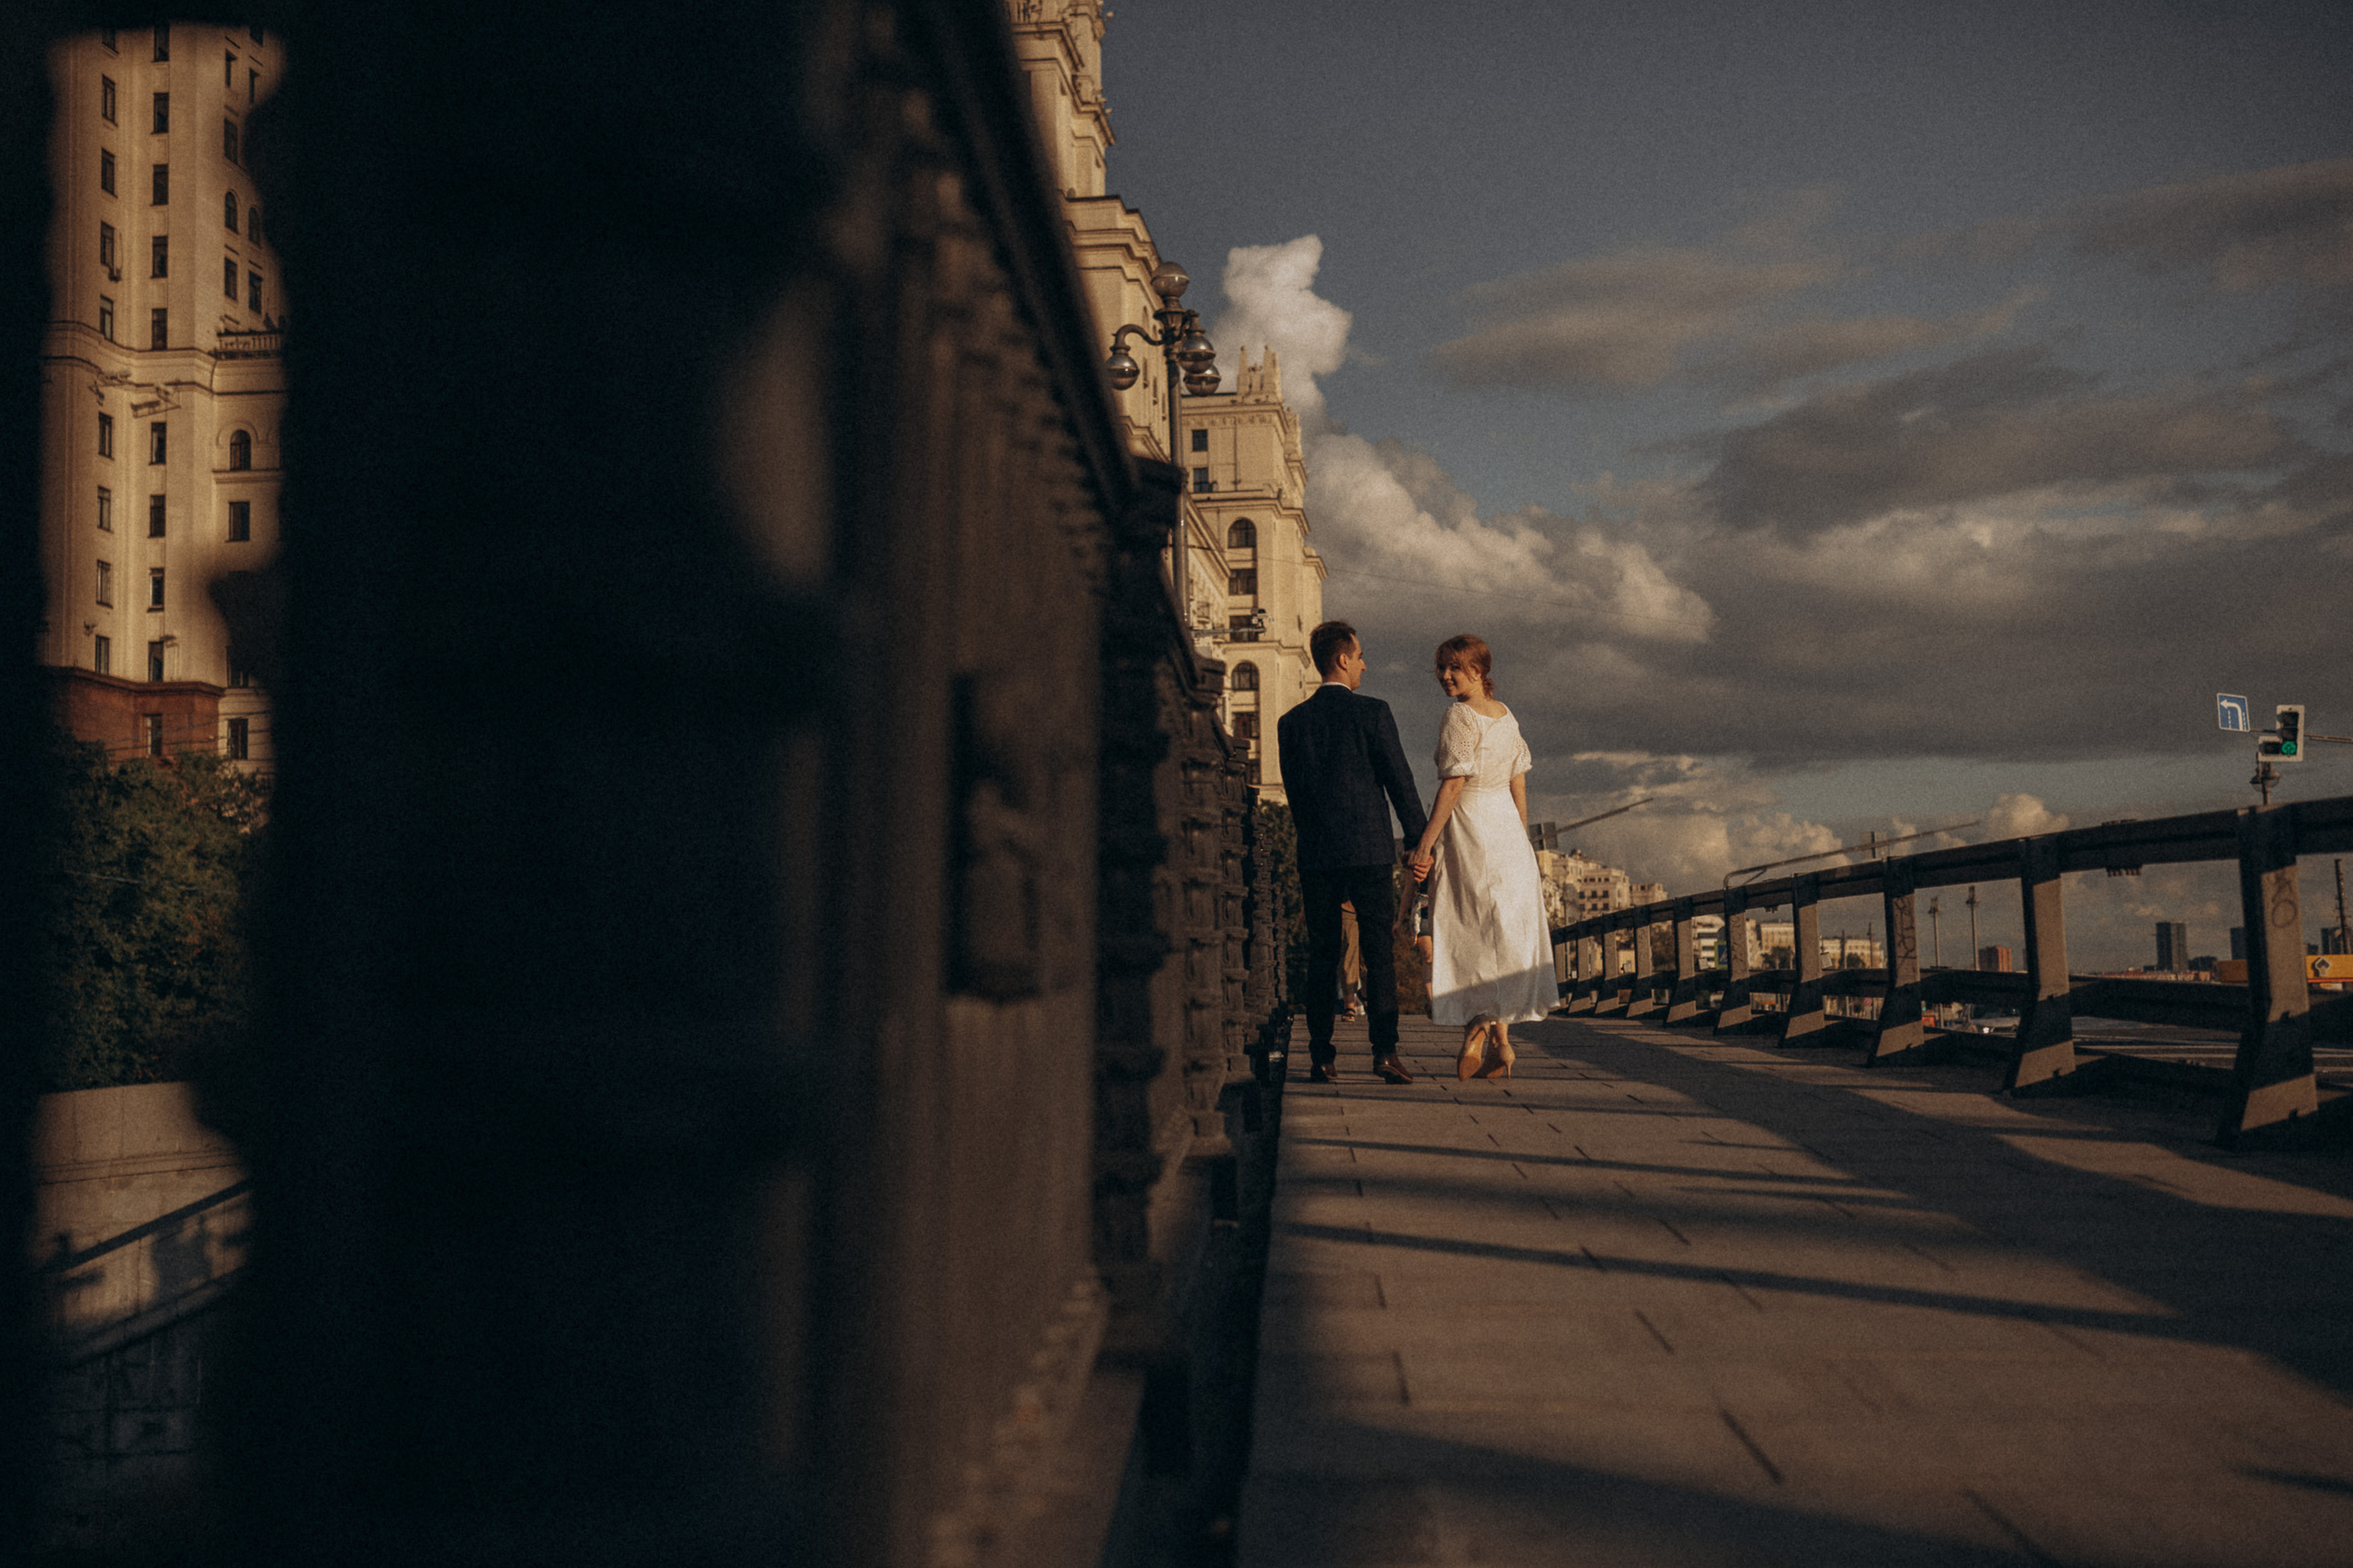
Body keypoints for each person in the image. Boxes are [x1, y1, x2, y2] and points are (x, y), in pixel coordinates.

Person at [1277, 620, 1430, 1085]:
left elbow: (1296, 795)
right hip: (1369, 850)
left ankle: (1321, 1056)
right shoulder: (1373, 713)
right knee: (1378, 952)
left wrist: (1313, 840)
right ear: (1342, 659)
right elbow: (1400, 783)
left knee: (1323, 954)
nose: (1364, 663)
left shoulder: (1290, 723)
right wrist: (1418, 843)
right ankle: (1384, 1052)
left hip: (1318, 852)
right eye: (1360, 655)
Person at [1409, 634, 1555, 1081]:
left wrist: (1424, 844)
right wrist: (1523, 841)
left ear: (1478, 670)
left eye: (1454, 667)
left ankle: (1476, 1029)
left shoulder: (1460, 716)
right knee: (1503, 935)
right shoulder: (1506, 716)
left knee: (1470, 928)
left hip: (1471, 824)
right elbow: (1519, 784)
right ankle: (1502, 1041)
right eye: (1440, 668)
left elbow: (1453, 785)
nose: (1445, 676)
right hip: (1507, 828)